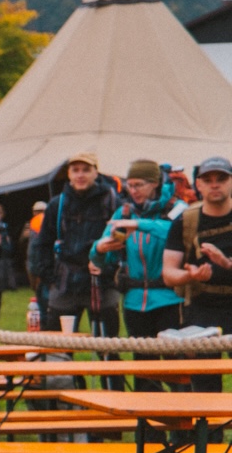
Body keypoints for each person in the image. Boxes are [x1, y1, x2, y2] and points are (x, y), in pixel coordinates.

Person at [97, 161, 184, 361]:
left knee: (175, 365)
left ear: (155, 183)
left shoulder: (178, 208)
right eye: (130, 185)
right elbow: (101, 255)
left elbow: (177, 231)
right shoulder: (123, 213)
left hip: (171, 300)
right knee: (143, 366)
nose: (133, 190)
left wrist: (139, 224)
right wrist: (100, 250)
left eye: (139, 185)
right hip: (134, 302)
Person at [163, 157, 232, 393]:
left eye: (221, 179)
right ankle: (208, 419)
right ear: (198, 185)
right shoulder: (185, 221)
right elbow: (169, 273)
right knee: (205, 386)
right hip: (202, 309)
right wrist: (190, 276)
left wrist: (226, 263)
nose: (215, 184)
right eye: (208, 180)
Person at [30, 153, 119, 335]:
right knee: (57, 345)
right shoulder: (57, 204)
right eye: (75, 170)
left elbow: (121, 242)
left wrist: (111, 271)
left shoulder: (111, 201)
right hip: (65, 283)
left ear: (96, 173)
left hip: (101, 283)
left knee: (107, 345)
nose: (80, 175)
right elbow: (42, 244)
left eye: (86, 170)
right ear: (69, 174)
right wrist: (49, 276)